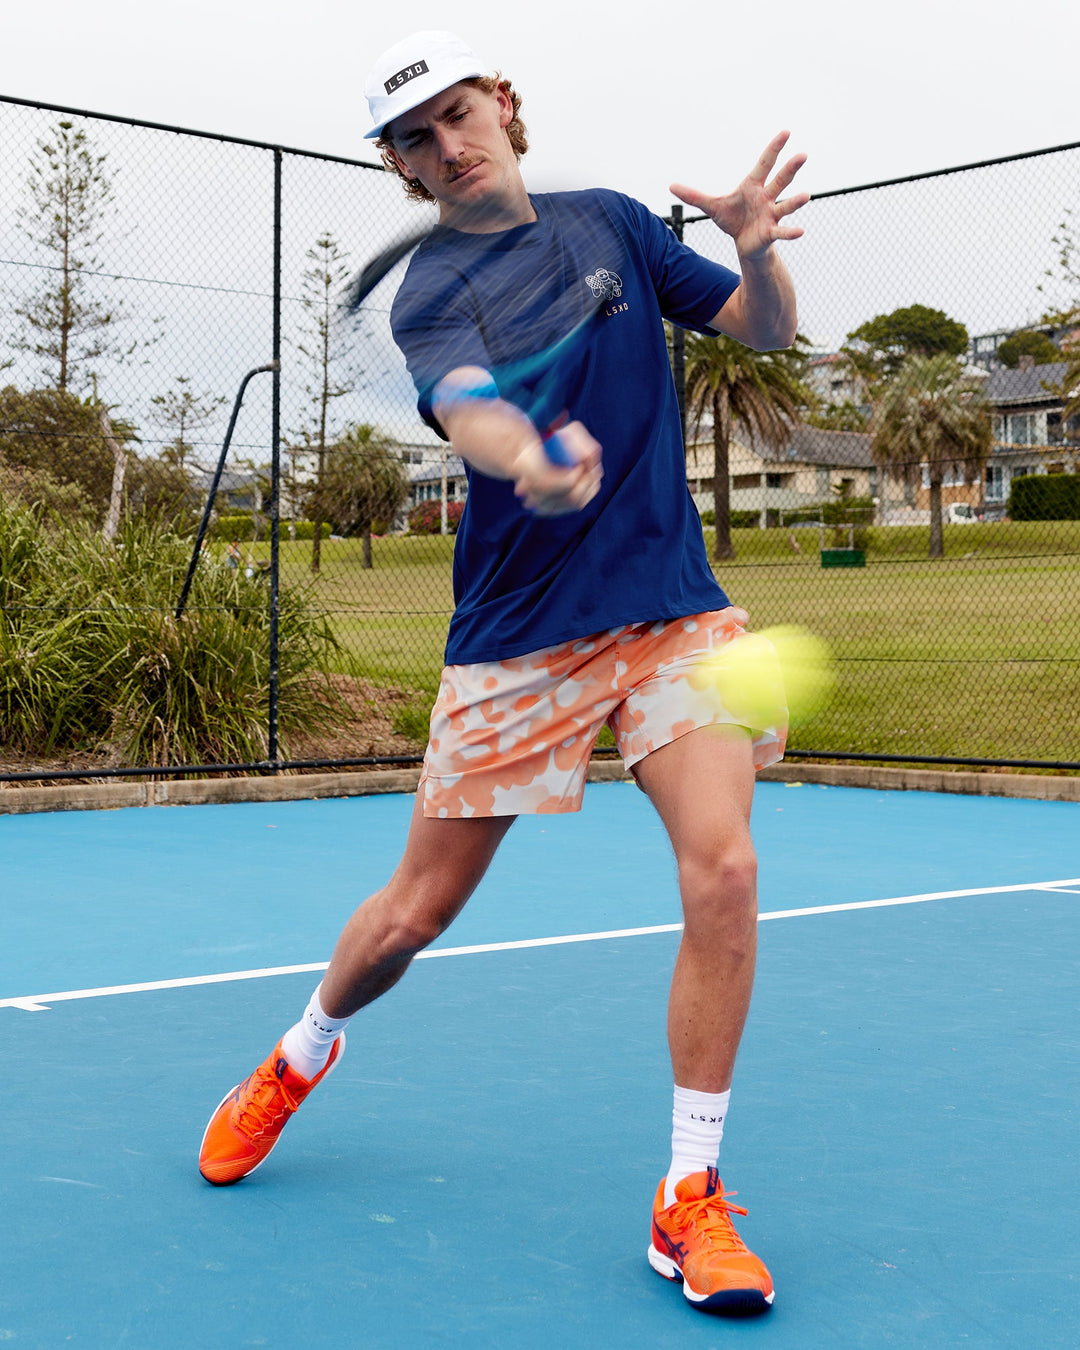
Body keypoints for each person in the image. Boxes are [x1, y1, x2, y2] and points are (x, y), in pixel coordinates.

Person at [198, 30, 808, 1317]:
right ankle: (303, 1050)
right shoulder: (430, 290)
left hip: (668, 615)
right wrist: (522, 458)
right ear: (403, 171)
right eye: (414, 139)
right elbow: (469, 405)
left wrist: (754, 245)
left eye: (459, 113)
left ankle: (689, 1199)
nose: (446, 145)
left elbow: (757, 329)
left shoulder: (615, 227)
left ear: (506, 108)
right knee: (414, 915)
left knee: (729, 864)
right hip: (516, 641)